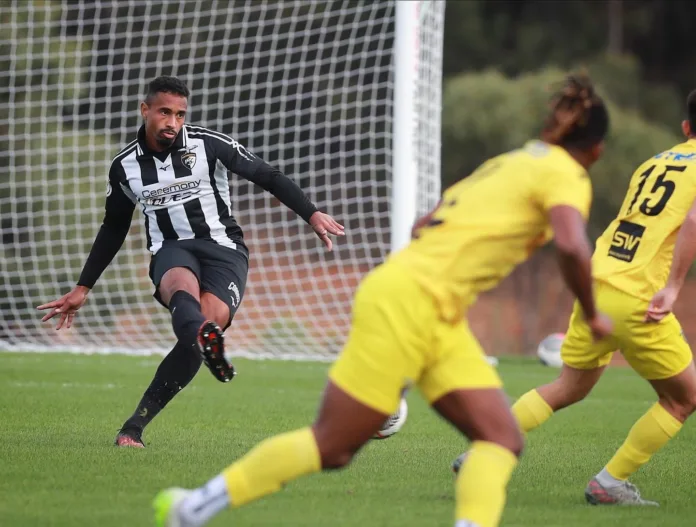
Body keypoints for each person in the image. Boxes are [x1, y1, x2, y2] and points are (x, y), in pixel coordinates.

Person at [152, 73, 611, 527]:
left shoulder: (512, 162)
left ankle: (192, 508)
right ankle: (192, 508)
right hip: (411, 305)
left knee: (500, 438)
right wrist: (592, 314)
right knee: (331, 446)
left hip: (427, 309)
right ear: (596, 150)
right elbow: (571, 245)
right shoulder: (568, 174)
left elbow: (422, 225)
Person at [36, 76, 344, 448]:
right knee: (181, 288)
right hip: (171, 248)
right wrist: (83, 286)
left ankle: (135, 424)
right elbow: (114, 227)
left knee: (203, 326)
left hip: (223, 250)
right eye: (165, 112)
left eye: (180, 114)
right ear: (145, 109)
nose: (173, 122)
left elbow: (266, 175)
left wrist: (311, 214)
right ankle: (197, 346)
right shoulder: (125, 167)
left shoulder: (208, 144)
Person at [470, 89, 696, 507]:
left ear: (685, 128)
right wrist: (674, 286)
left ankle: (484, 448)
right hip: (639, 295)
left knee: (569, 386)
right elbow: (694, 219)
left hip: (600, 279)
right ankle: (608, 484)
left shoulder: (656, 161)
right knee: (684, 398)